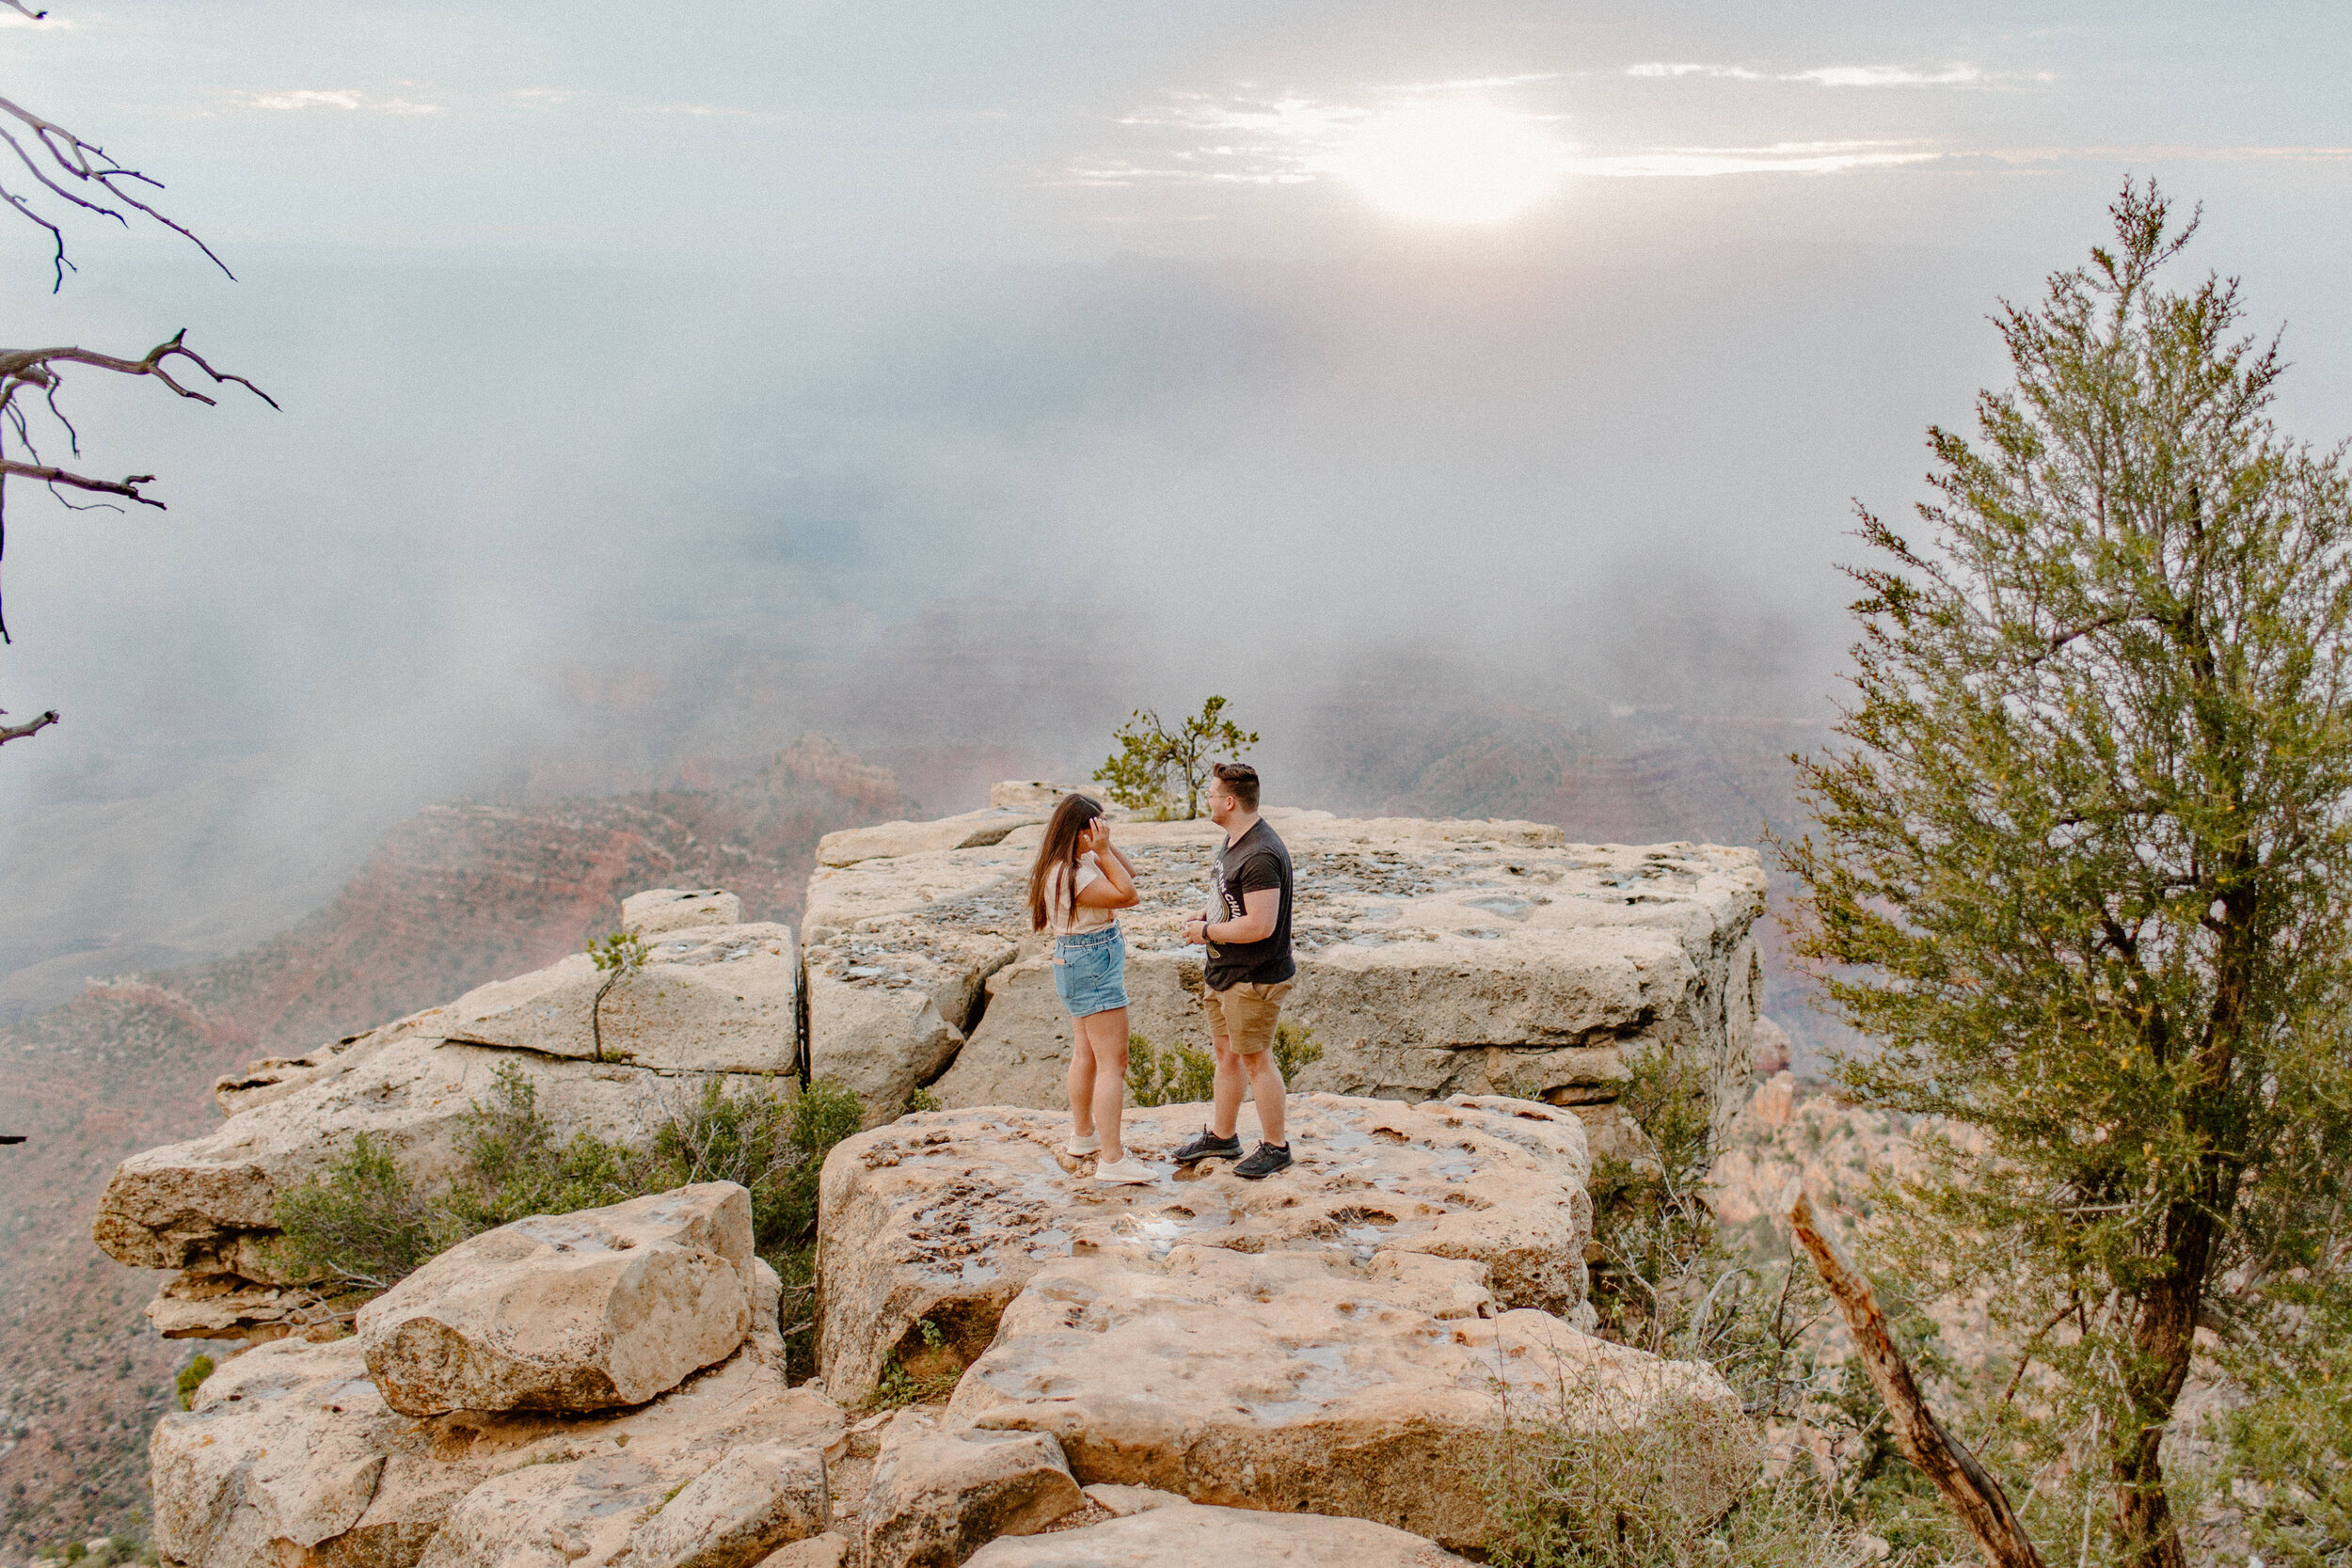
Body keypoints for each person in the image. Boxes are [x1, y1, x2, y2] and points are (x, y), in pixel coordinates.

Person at [1174, 761, 1296, 1179]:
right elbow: (1233, 900)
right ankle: (1223, 1137)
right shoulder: (1235, 840)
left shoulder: (1261, 852)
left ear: (1229, 801)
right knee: (1227, 1055)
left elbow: (1261, 925)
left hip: (1254, 976)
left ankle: (1277, 1147)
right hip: (1226, 972)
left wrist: (1206, 931)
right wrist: (1205, 915)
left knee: (1256, 1059)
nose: (1206, 799)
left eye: (1210, 794)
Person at [1027, 792, 1153, 1184]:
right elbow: (1128, 895)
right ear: (1078, 831)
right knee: (1113, 1064)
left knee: (1086, 1055)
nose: (1102, 831)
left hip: (1076, 959)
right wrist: (1101, 849)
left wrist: (1104, 845)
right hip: (1093, 962)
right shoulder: (1074, 875)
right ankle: (1113, 1160)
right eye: (1095, 826)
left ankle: (1084, 1136)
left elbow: (1127, 874)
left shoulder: (1065, 865)